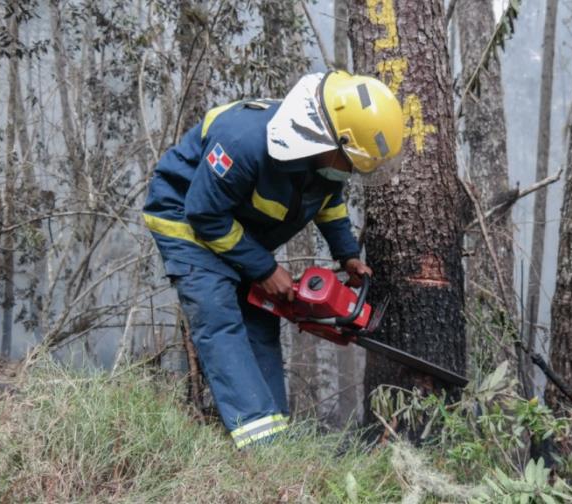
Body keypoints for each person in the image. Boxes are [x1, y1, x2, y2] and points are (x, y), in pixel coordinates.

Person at [142, 70, 403, 448]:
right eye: (352, 162)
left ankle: (276, 435)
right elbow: (204, 214)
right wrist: (263, 267)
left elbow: (328, 202)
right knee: (218, 316)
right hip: (187, 221)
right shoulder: (243, 142)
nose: (355, 172)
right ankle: (260, 441)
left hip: (238, 230)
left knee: (260, 319)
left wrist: (346, 254)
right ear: (331, 140)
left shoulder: (323, 159)